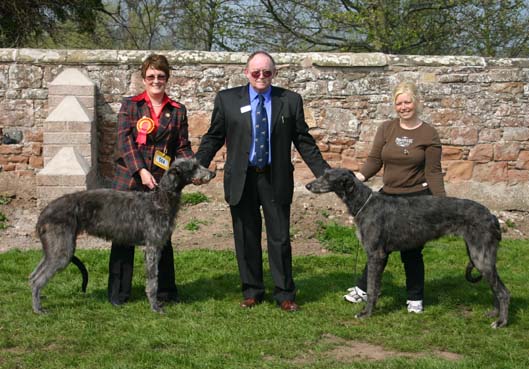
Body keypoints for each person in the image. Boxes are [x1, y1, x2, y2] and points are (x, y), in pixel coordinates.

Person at [194, 51, 330, 312]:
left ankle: (284, 293)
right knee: (246, 237)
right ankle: (252, 290)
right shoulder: (227, 99)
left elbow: (303, 140)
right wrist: (197, 165)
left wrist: (324, 173)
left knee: (279, 238)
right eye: (256, 72)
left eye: (266, 72)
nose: (261, 77)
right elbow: (213, 137)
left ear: (274, 74)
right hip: (241, 179)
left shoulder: (289, 101)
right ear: (246, 72)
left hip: (274, 177)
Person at [343, 81, 446, 313]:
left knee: (412, 251)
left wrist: (442, 202)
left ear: (416, 103)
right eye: (398, 103)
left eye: (407, 102)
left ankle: (415, 298)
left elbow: (433, 172)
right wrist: (357, 177)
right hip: (388, 198)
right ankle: (365, 289)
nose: (403, 107)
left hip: (417, 200)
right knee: (376, 247)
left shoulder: (428, 133)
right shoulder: (387, 128)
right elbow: (374, 160)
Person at [108, 54, 194, 306]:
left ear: (167, 78)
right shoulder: (131, 105)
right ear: (143, 78)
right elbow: (124, 141)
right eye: (151, 76)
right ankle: (119, 294)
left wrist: (193, 167)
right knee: (123, 236)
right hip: (129, 180)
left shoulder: (177, 110)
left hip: (161, 185)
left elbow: (182, 146)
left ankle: (166, 293)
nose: (156, 81)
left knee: (162, 237)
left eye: (161, 76)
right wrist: (141, 171)